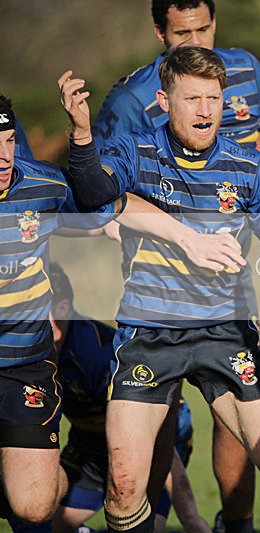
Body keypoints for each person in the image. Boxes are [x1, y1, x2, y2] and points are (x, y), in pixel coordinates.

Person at [60, 45, 260, 533]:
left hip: (225, 333)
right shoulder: (135, 152)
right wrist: (83, 135)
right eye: (192, 98)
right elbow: (91, 194)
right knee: (124, 489)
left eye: (213, 98)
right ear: (164, 101)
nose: (205, 110)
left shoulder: (249, 167)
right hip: (149, 333)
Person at [8, 262, 211, 533]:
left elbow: (156, 431)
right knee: (38, 519)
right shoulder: (25, 350)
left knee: (145, 528)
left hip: (156, 437)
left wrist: (190, 517)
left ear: (63, 309)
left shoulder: (95, 355)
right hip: (91, 442)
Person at [0, 93, 125, 526]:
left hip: (25, 365)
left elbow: (96, 206)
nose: (4, 156)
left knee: (33, 505)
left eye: (9, 141)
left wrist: (82, 135)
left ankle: (27, 476)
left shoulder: (43, 185)